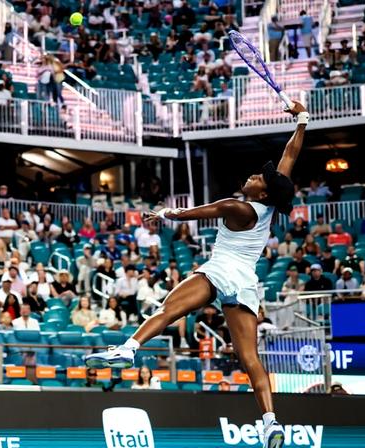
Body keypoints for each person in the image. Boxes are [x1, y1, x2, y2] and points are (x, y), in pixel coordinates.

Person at [86, 100, 309, 447]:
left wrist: (166, 213)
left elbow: (195, 213)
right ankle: (270, 422)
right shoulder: (270, 204)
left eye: (256, 178)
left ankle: (129, 348)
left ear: (262, 191)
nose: (251, 176)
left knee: (168, 309)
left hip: (218, 271)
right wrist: (302, 121)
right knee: (250, 358)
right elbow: (289, 158)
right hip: (246, 283)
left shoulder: (237, 206)